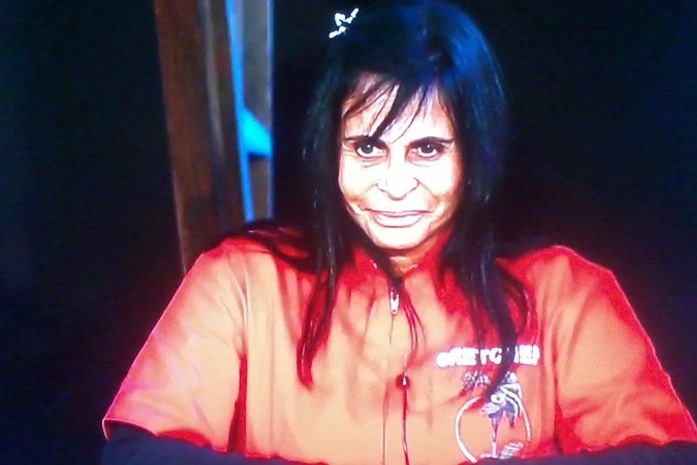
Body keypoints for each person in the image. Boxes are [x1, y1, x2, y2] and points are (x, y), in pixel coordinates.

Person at [101, 1, 697, 464]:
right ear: (329, 150)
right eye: (367, 147)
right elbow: (138, 453)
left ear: (476, 154)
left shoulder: (563, 291)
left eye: (427, 149)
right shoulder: (242, 280)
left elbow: (664, 456)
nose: (394, 184)